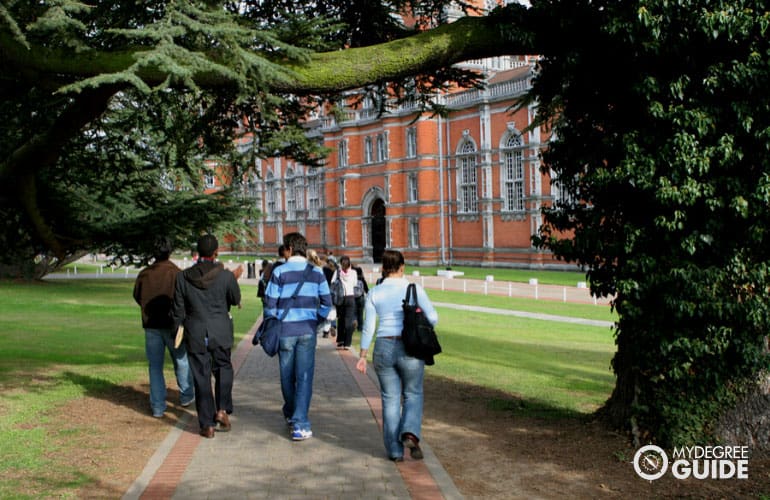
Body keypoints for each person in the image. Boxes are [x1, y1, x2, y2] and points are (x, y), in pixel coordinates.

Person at [355, 249, 438, 462]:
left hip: (383, 346)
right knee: (413, 393)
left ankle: (394, 450)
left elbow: (369, 327)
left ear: (383, 268)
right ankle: (410, 431)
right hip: (410, 347)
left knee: (390, 399)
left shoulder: (374, 292)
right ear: (402, 267)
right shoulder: (414, 289)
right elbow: (433, 318)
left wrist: (363, 355)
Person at [172, 234, 242, 438]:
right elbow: (235, 298)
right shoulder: (226, 276)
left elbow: (178, 309)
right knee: (224, 368)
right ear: (216, 252)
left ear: (197, 252)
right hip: (220, 329)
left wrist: (176, 330)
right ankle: (222, 409)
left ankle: (207, 423)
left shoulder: (183, 277)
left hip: (196, 330)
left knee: (201, 376)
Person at [264, 232, 332, 441]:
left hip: (285, 331)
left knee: (286, 376)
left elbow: (269, 305)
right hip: (307, 331)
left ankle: (294, 414)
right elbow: (327, 303)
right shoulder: (317, 272)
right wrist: (316, 321)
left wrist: (277, 321)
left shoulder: (279, 271)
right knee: (303, 377)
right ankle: (299, 421)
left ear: (290, 249)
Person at [133, 236, 195, 418]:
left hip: (151, 325)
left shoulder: (144, 274)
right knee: (181, 360)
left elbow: (137, 296)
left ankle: (158, 406)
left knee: (155, 366)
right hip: (172, 324)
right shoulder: (176, 273)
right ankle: (186, 394)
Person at [330, 255, 358, 350]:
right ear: (350, 264)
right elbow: (355, 284)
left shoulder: (337, 272)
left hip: (340, 298)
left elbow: (332, 282)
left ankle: (340, 340)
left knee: (340, 319)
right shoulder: (354, 272)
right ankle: (347, 343)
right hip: (350, 297)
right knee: (348, 321)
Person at [351, 261, 369, 332]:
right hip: (361, 297)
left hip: (353, 297)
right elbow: (367, 289)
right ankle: (360, 328)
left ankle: (354, 324)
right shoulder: (362, 279)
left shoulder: (352, 279)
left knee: (354, 313)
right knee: (360, 313)